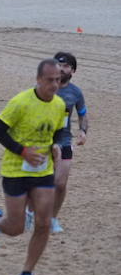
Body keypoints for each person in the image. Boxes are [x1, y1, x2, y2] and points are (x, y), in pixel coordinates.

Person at [0, 59, 66, 275]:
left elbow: (59, 131)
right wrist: (23, 151)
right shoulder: (20, 102)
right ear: (38, 79)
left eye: (58, 80)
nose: (55, 85)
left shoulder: (59, 105)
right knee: (16, 227)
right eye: (50, 80)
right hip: (16, 170)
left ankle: (26, 274)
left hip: (43, 170)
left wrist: (56, 146)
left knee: (44, 222)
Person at [46, 52, 88, 233]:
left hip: (64, 141)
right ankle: (31, 212)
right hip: (43, 142)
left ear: (73, 70)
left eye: (66, 66)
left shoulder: (75, 92)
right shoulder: (44, 87)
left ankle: (53, 218)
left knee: (60, 184)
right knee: (39, 182)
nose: (62, 69)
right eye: (58, 65)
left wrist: (83, 131)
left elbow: (83, 113)